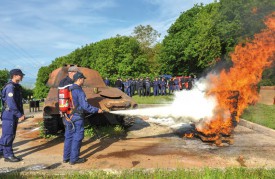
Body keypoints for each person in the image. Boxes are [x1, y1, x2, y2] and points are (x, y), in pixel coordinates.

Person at [63, 71, 103, 165]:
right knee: (77, 137)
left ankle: (66, 157)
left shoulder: (68, 89)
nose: (84, 80)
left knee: (68, 137)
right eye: (83, 79)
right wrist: (97, 110)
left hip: (68, 116)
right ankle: (74, 159)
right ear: (79, 79)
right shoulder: (79, 90)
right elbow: (85, 106)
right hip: (77, 117)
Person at [0, 69, 25, 162]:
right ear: (15, 75)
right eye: (20, 75)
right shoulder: (10, 87)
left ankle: (1, 151)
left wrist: (21, 113)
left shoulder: (16, 87)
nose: (22, 77)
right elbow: (11, 103)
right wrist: (19, 114)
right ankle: (8, 155)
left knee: (6, 134)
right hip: (9, 114)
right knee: (8, 135)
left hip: (11, 114)